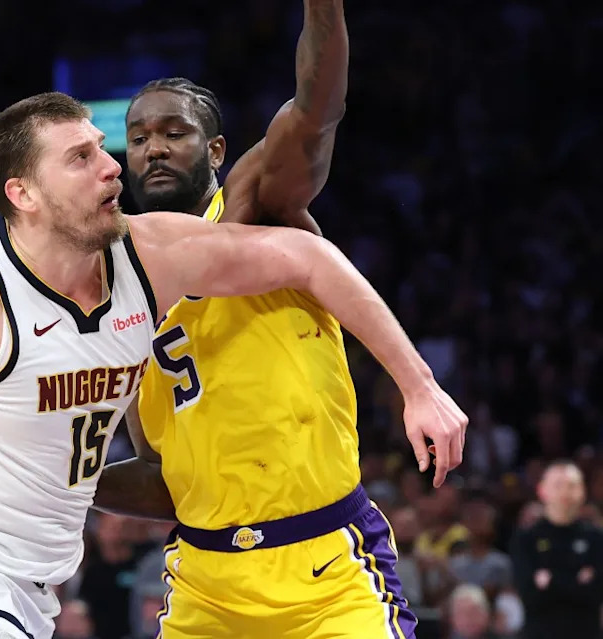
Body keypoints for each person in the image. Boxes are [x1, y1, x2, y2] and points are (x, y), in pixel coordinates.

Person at [0, 91, 465, 639]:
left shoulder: (149, 256)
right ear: (23, 194)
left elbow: (307, 258)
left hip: (33, 581)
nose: (113, 166)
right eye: (82, 157)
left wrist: (418, 385)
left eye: (102, 149)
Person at [91, 1, 466, 637]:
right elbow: (164, 477)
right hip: (205, 586)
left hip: (325, 568)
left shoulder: (252, 210)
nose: (153, 148)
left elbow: (315, 114)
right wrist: (59, 475)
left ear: (214, 150)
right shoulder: (116, 297)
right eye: (139, 137)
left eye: (173, 133)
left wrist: (323, 10)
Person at [510, 460, 603, 639]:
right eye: (558, 485)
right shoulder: (526, 539)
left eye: (572, 485)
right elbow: (529, 596)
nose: (565, 492)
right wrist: (577, 581)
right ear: (542, 490)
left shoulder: (596, 538)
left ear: (583, 491)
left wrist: (550, 581)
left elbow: (596, 594)